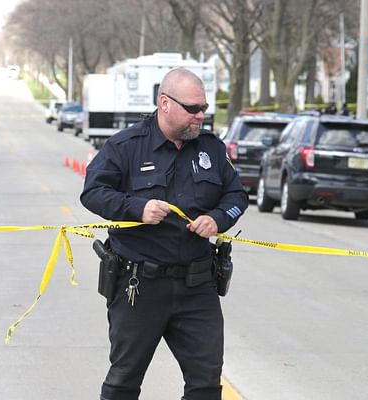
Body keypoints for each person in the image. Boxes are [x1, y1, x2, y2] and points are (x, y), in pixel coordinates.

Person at [81, 68, 249, 400]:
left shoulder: (211, 149)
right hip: (140, 285)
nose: (200, 116)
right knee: (124, 381)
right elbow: (93, 192)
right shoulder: (126, 146)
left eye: (204, 108)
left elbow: (237, 196)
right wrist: (136, 207)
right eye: (192, 109)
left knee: (205, 384)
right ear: (164, 103)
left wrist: (217, 219)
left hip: (197, 286)